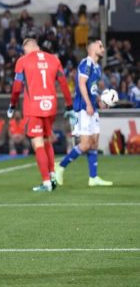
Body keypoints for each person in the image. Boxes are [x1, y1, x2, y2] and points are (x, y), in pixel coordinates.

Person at [7, 38, 73, 192]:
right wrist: (69, 106)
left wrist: (12, 105)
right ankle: (51, 175)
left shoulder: (23, 61)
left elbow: (17, 87)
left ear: (27, 48)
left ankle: (46, 183)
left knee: (37, 144)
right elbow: (63, 83)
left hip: (34, 107)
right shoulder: (54, 59)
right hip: (51, 106)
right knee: (46, 140)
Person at [54, 39, 113, 187]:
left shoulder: (97, 67)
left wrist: (99, 100)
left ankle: (93, 178)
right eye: (100, 46)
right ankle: (60, 166)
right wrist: (88, 104)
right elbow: (81, 84)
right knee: (85, 144)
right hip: (83, 108)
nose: (103, 49)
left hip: (93, 107)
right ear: (92, 48)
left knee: (94, 143)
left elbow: (92, 88)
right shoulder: (85, 63)